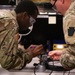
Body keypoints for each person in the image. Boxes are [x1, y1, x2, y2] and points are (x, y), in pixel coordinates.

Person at [0, 0, 44, 70]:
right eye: (32, 21)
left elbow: (4, 49)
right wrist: (30, 55)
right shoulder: (11, 23)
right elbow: (7, 63)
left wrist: (24, 51)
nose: (31, 24)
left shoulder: (6, 16)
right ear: (25, 15)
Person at [48, 0, 75, 70]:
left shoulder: (71, 17)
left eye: (54, 6)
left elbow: (71, 61)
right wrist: (64, 52)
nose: (57, 11)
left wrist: (64, 58)